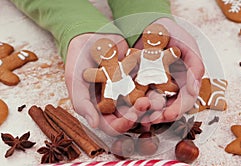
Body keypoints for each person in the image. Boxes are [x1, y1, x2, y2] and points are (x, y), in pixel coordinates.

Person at [10, 0, 205, 135]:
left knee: (140, 90)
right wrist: (77, 23)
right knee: (122, 95)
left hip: (143, 80)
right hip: (117, 86)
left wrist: (143, 14)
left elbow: (140, 58)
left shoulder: (144, 56)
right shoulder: (108, 68)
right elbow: (99, 71)